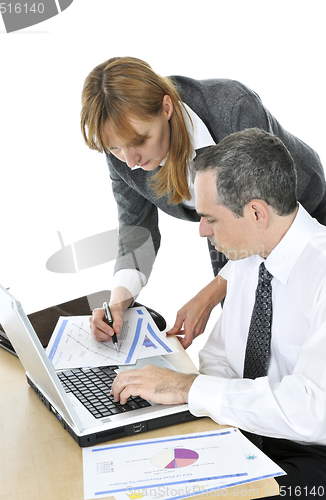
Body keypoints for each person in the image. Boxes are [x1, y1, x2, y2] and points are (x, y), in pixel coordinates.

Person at [110, 129, 326, 497]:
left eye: (212, 218)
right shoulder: (248, 256)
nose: (202, 230)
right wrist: (183, 398)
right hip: (247, 431)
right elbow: (218, 359)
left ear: (256, 212)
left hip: (311, 455)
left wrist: (188, 388)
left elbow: (312, 412)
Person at [81, 56, 326, 348]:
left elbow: (259, 222)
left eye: (140, 141)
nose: (130, 161)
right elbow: (136, 230)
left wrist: (208, 295)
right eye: (115, 148)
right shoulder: (123, 149)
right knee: (242, 346)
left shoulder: (233, 108)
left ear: (167, 107)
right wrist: (118, 302)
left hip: (297, 211)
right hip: (230, 229)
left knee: (305, 341)